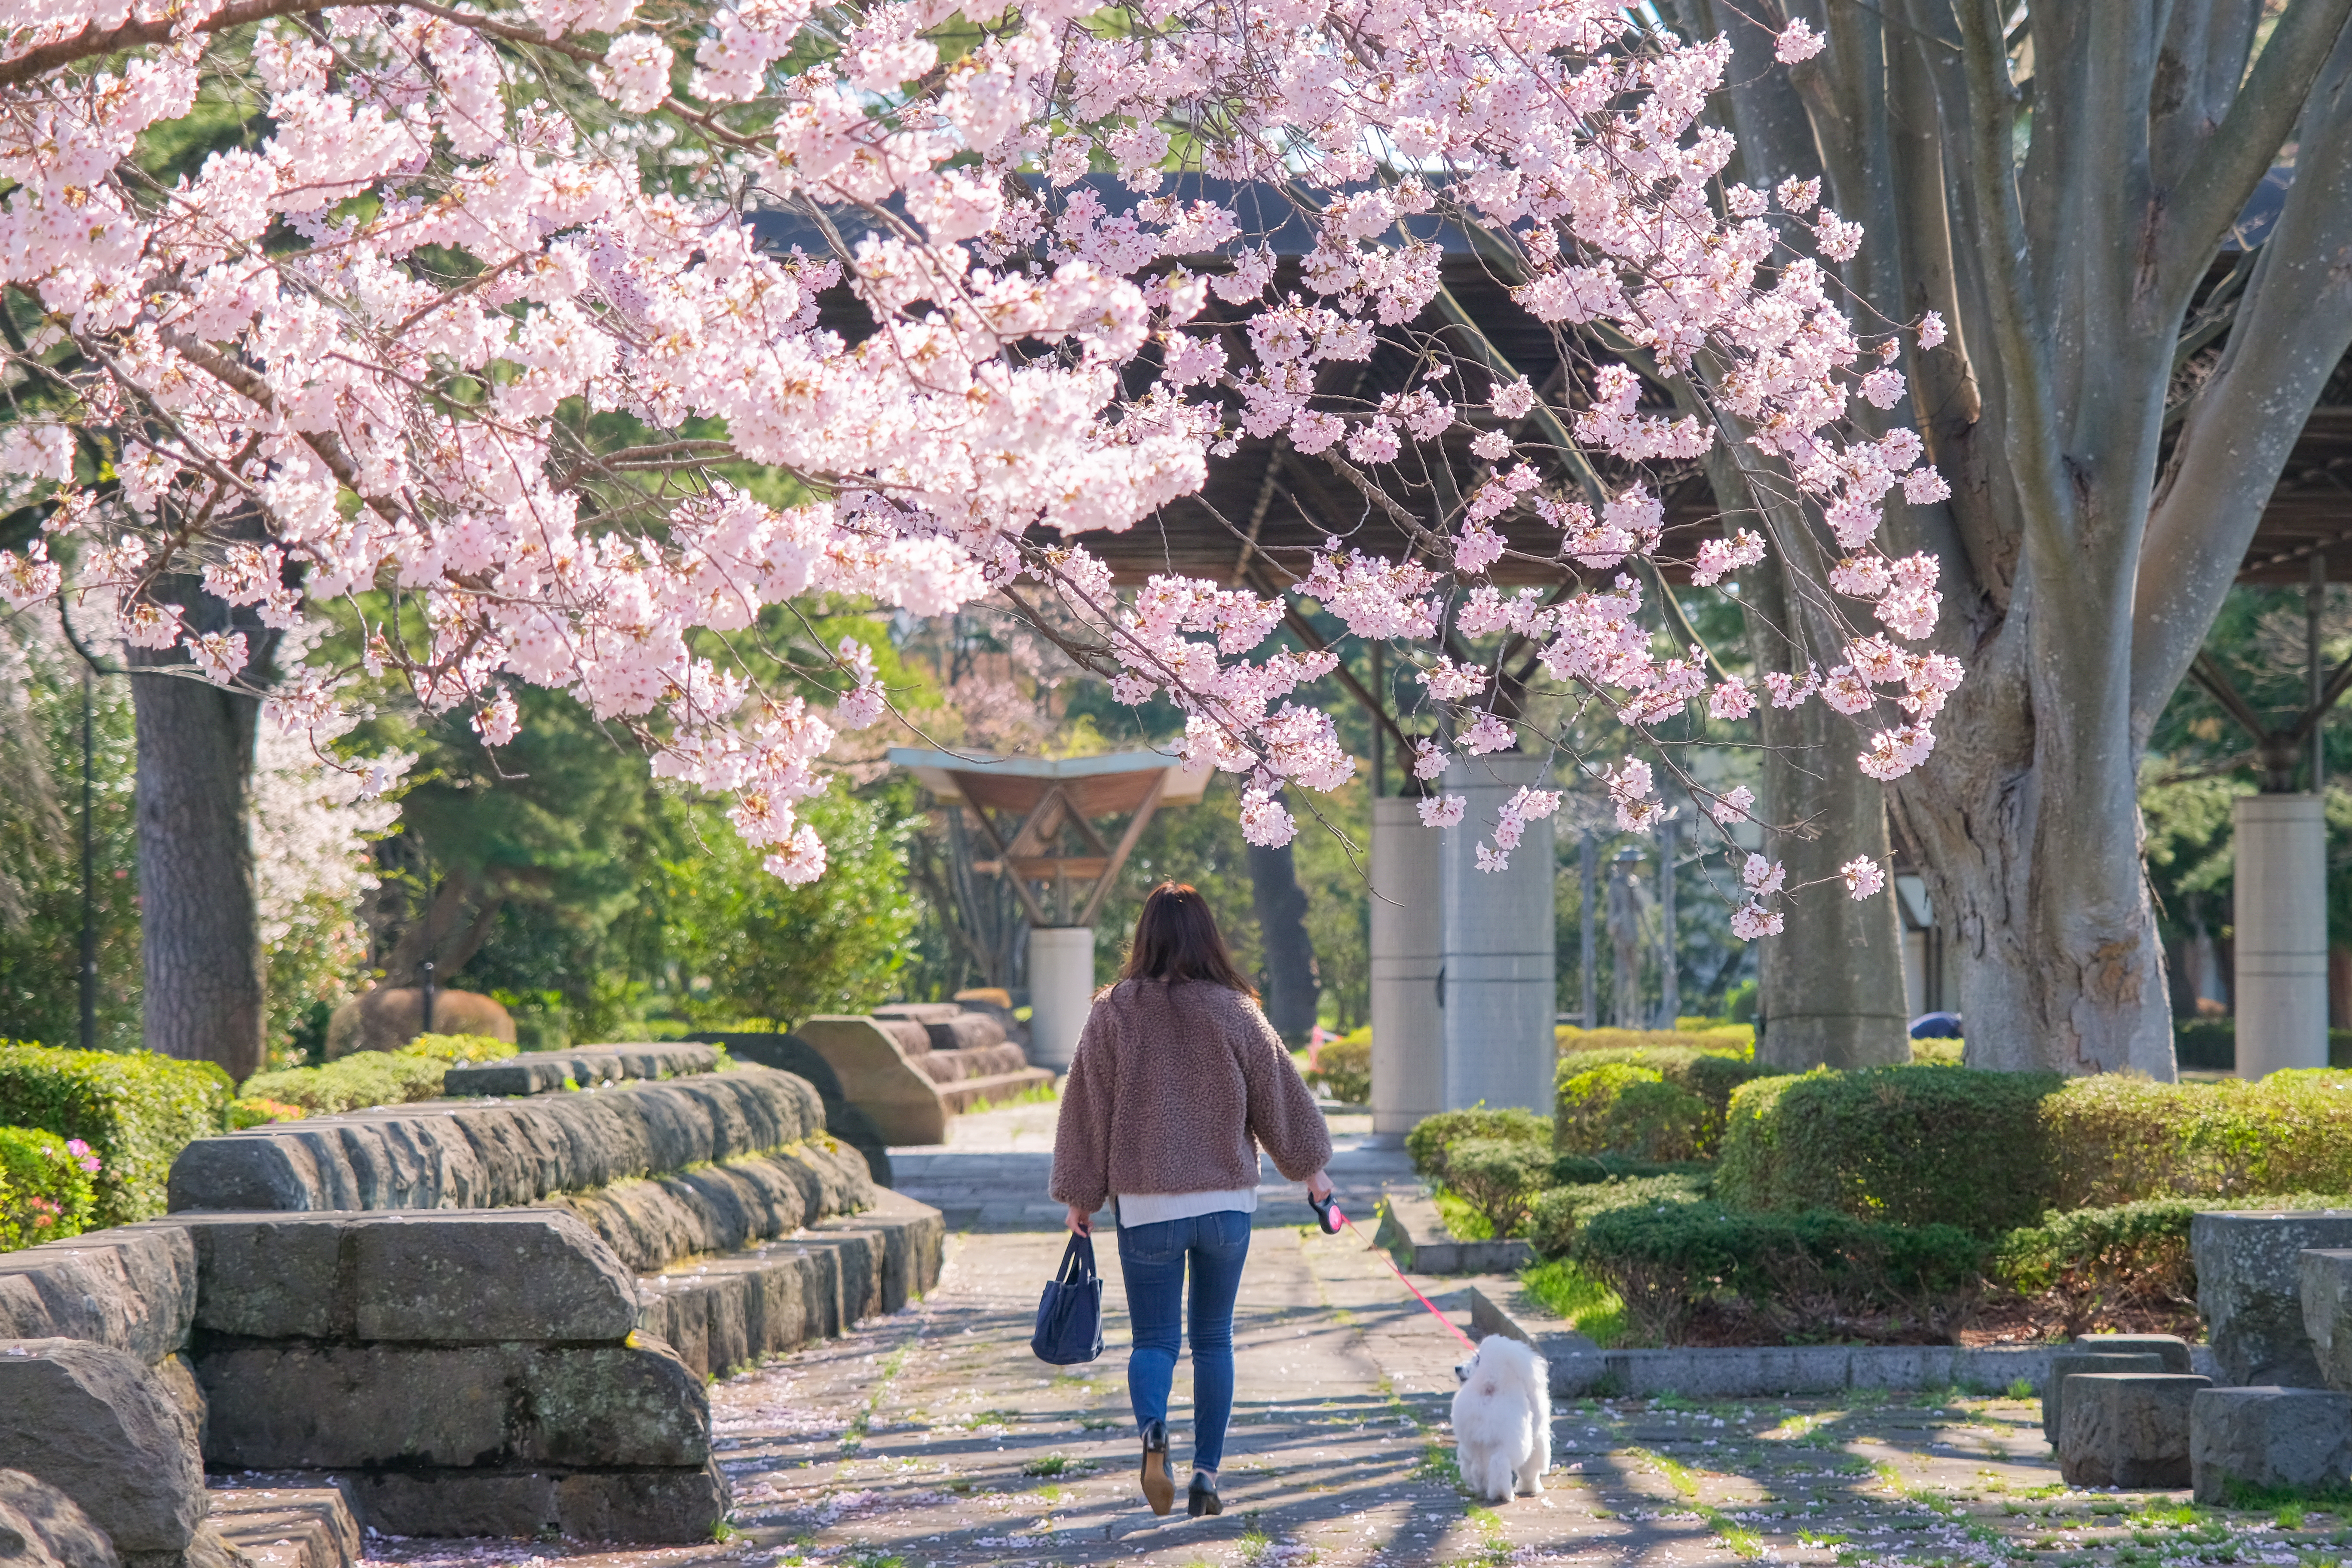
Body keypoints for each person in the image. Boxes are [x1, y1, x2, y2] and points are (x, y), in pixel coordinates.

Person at [1049, 882, 1335, 1520]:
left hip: (1147, 1204)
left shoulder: (1113, 1011)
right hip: (1227, 1202)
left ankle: (1154, 1431)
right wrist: (1313, 1175)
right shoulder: (1235, 1009)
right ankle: (1207, 1475)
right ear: (1209, 937)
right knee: (1214, 1340)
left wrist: (1080, 1194)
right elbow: (1280, 1096)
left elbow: (1086, 1109)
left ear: (1143, 937)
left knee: (1154, 1340)